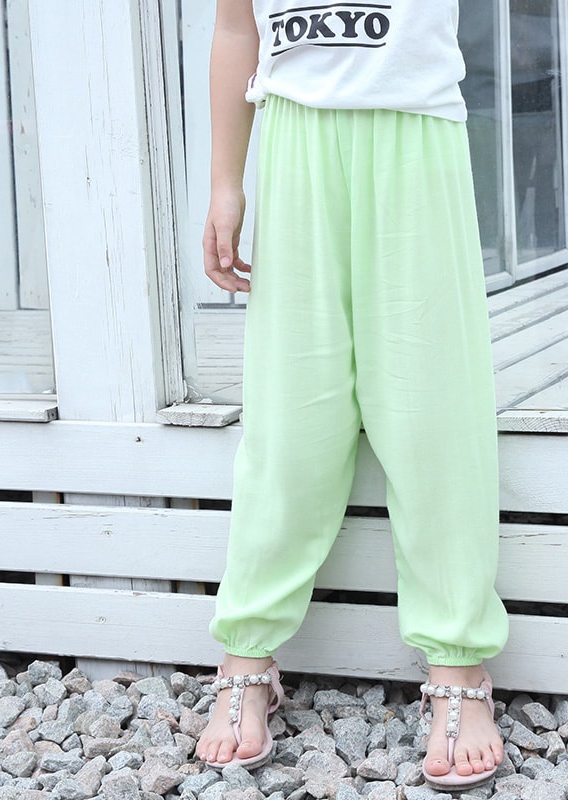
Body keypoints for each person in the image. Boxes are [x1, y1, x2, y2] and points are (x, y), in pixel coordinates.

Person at [194, 0, 509, 790]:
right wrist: (226, 182)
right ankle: (247, 652)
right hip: (294, 135)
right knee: (290, 415)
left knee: (433, 410)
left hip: (414, 129)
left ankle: (459, 659)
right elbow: (236, 26)